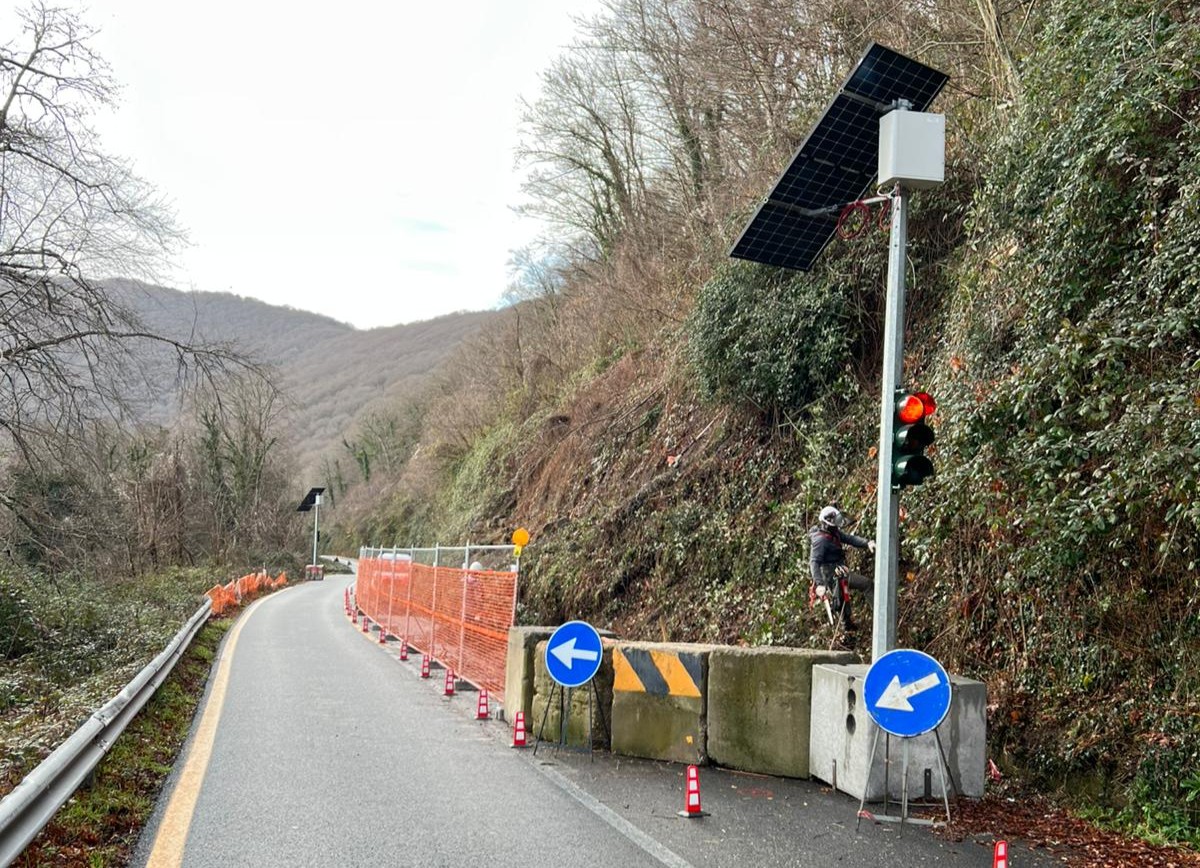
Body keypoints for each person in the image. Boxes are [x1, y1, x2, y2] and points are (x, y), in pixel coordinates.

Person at [809, 505, 875, 633]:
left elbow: (849, 539)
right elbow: (814, 562)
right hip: (831, 574)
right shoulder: (821, 541)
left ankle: (847, 626)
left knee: (843, 597)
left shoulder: (833, 532)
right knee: (865, 585)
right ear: (827, 524)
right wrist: (820, 584)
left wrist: (867, 543)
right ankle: (877, 616)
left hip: (839, 569)